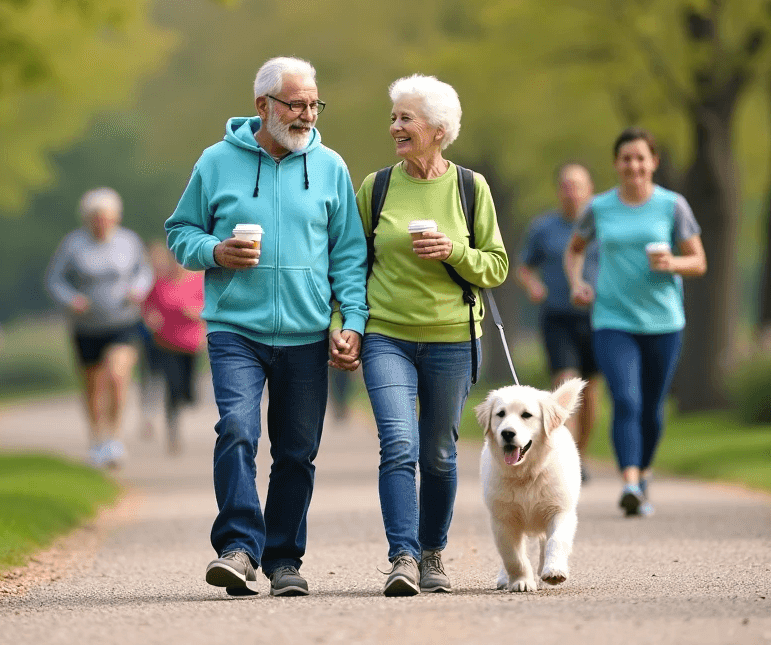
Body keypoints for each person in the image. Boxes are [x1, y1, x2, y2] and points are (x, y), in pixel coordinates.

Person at [166, 56, 369, 598]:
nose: (307, 115)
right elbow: (180, 230)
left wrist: (352, 320)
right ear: (263, 106)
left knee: (296, 452)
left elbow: (348, 255)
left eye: (312, 104)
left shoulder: (329, 166)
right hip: (235, 328)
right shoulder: (215, 162)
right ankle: (237, 547)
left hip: (305, 332)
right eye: (295, 104)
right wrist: (214, 250)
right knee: (237, 428)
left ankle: (282, 558)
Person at [353, 74, 508, 596]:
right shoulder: (375, 188)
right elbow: (351, 266)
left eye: (406, 118)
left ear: (438, 130)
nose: (394, 126)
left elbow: (496, 267)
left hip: (452, 338)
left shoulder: (470, 187)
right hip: (386, 336)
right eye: (394, 117)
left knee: (439, 450)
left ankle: (433, 554)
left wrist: (454, 253)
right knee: (398, 444)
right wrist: (343, 326)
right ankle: (402, 556)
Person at [564, 127, 706, 518]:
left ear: (653, 162)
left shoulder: (672, 205)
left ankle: (643, 475)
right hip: (612, 319)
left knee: (652, 407)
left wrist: (673, 263)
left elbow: (699, 260)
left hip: (664, 321)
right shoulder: (599, 208)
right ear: (616, 164)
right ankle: (628, 482)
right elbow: (574, 250)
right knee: (626, 399)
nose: (634, 165)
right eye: (626, 158)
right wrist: (578, 282)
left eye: (641, 157)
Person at [45, 187, 154, 469]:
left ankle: (114, 439)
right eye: (95, 218)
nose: (101, 223)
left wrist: (138, 289)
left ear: (115, 217)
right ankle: (97, 439)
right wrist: (72, 300)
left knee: (118, 378)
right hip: (87, 326)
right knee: (93, 386)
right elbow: (55, 279)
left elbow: (145, 271)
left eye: (106, 217)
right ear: (87, 219)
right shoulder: (73, 244)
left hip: (123, 321)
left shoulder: (128, 241)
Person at [515, 162, 603, 484]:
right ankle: (568, 462)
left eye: (577, 185)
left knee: (591, 391)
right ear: (558, 191)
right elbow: (524, 268)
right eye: (565, 185)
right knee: (566, 386)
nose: (571, 191)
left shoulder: (602, 226)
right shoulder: (543, 227)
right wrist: (533, 287)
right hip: (556, 317)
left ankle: (581, 454)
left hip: (596, 317)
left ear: (590, 189)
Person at [141, 240, 205, 454]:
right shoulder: (160, 284)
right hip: (166, 343)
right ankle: (173, 433)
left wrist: (195, 313)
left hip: (192, 345)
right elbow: (146, 306)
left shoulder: (198, 282)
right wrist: (151, 318)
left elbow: (210, 309)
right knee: (172, 388)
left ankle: (185, 399)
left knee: (189, 394)